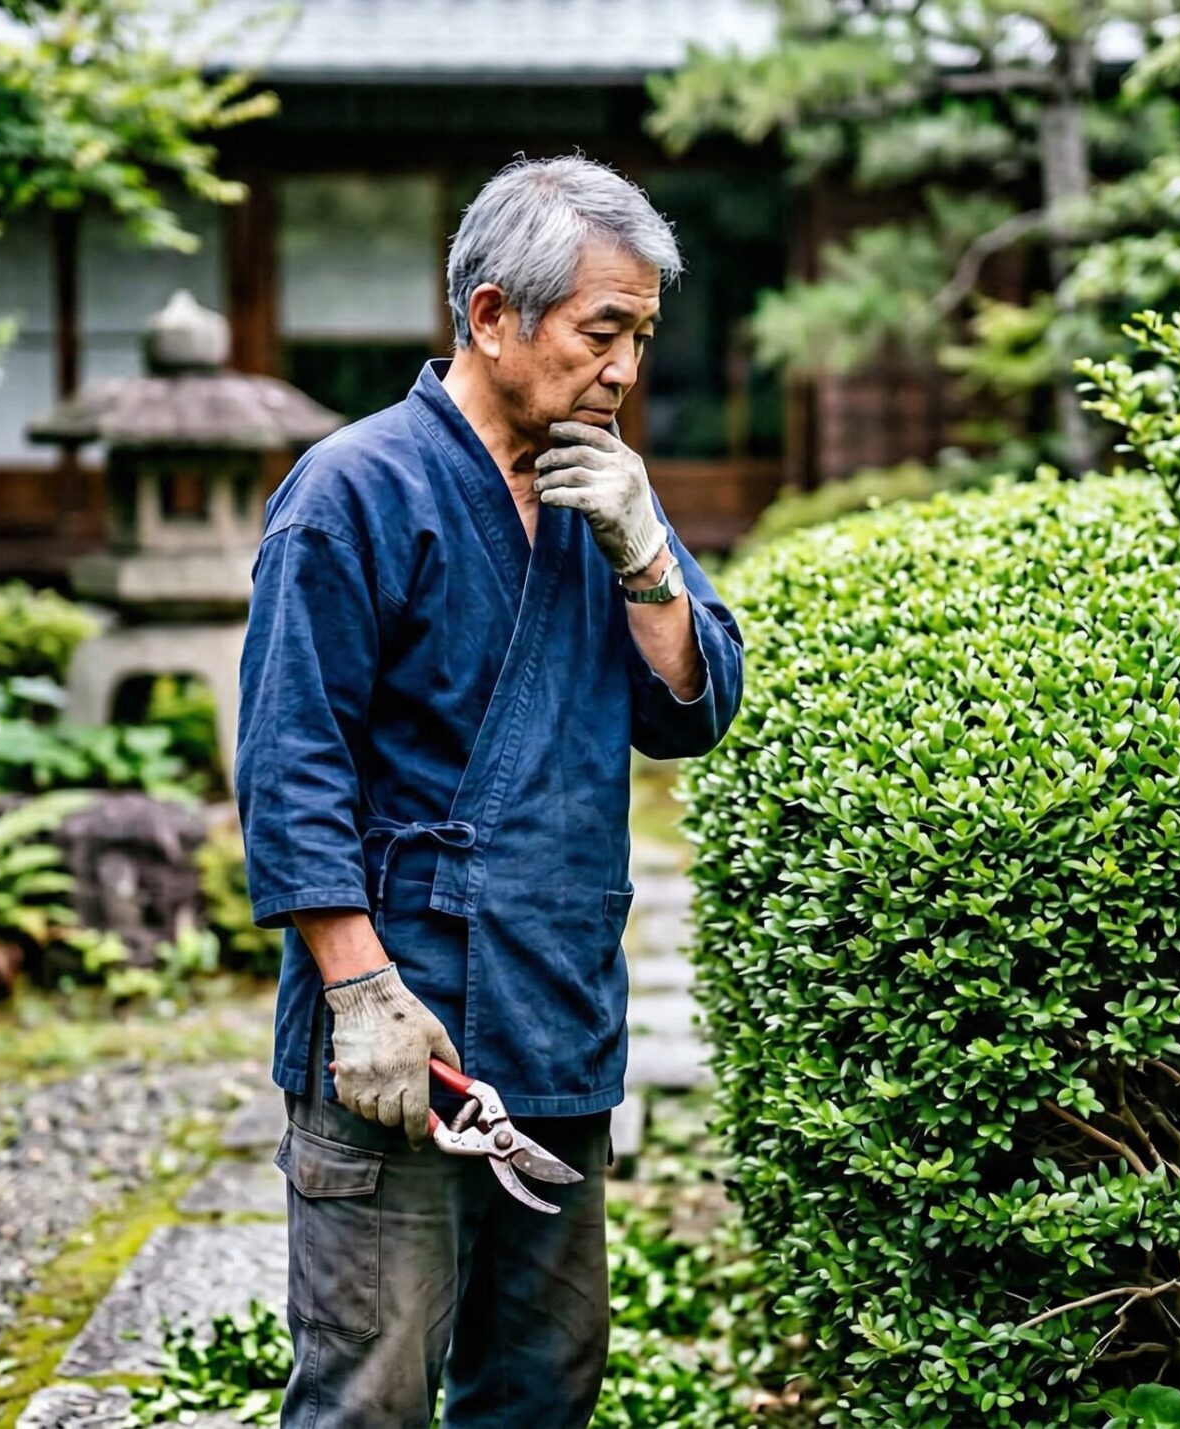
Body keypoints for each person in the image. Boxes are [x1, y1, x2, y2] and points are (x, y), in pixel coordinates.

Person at [233, 155, 746, 1428]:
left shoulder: (603, 487)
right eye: (602, 332)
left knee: (543, 1382)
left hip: (553, 1000)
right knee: (374, 1387)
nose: (625, 370)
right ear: (492, 316)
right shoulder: (352, 491)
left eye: (640, 337)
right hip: (405, 1020)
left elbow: (694, 707)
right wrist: (359, 994)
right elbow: (291, 766)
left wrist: (645, 556)